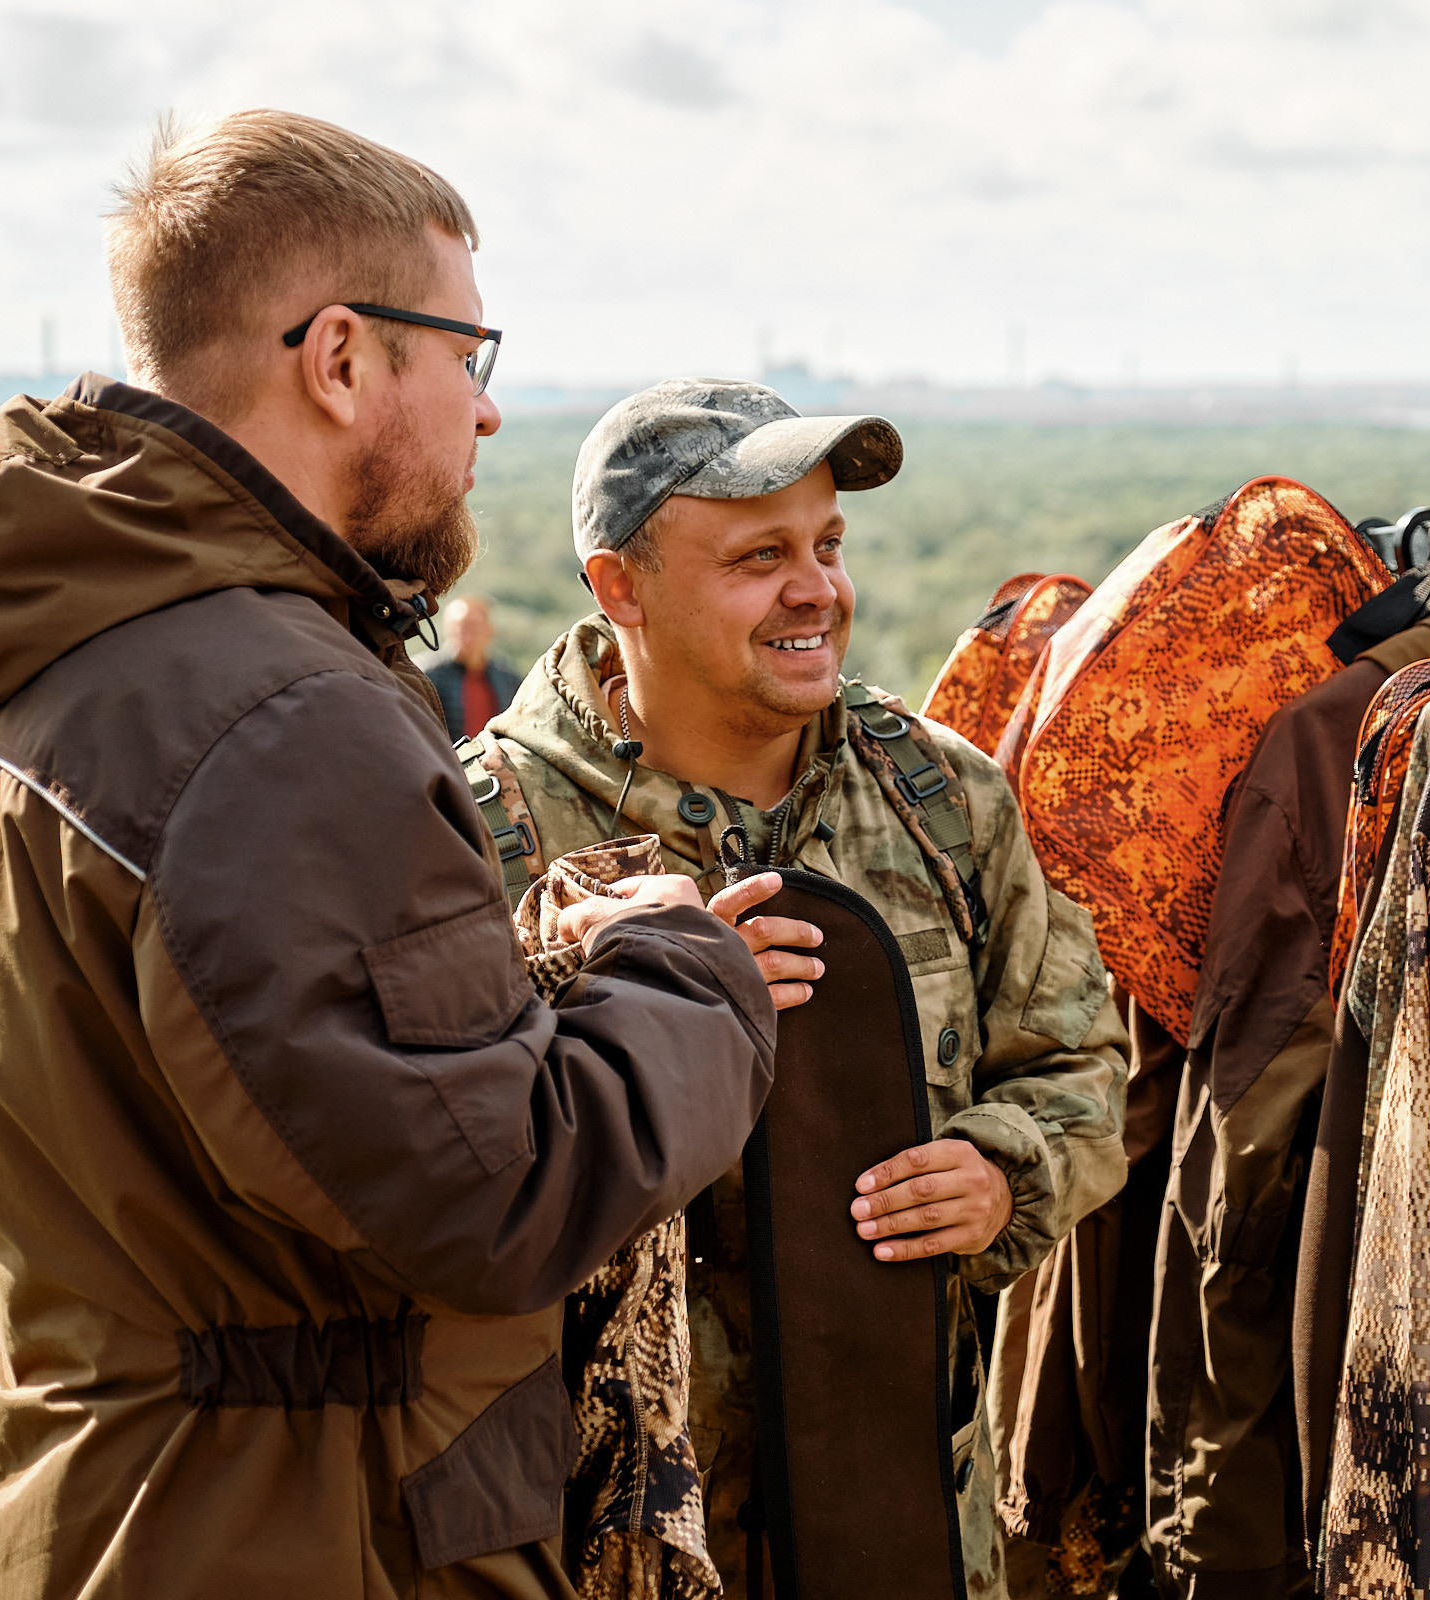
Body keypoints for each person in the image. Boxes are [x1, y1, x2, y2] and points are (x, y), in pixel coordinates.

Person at [0, 112, 781, 1600]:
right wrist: (682, 964)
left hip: (91, 1514)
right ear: (345, 357)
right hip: (329, 1537)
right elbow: (499, 1199)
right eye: (467, 357)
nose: (489, 416)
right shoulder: (287, 724)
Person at [473, 378, 1131, 1596]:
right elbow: (421, 1161)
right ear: (621, 588)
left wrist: (1002, 1171)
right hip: (603, 1536)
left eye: (827, 545)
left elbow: (1081, 1062)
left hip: (902, 1513)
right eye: (758, 554)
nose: (815, 589)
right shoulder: (485, 832)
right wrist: (601, 996)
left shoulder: (944, 800)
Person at [427, 592, 522, 738]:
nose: (463, 633)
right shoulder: (425, 675)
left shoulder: (509, 680)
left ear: (489, 630)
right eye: (457, 626)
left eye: (472, 626)